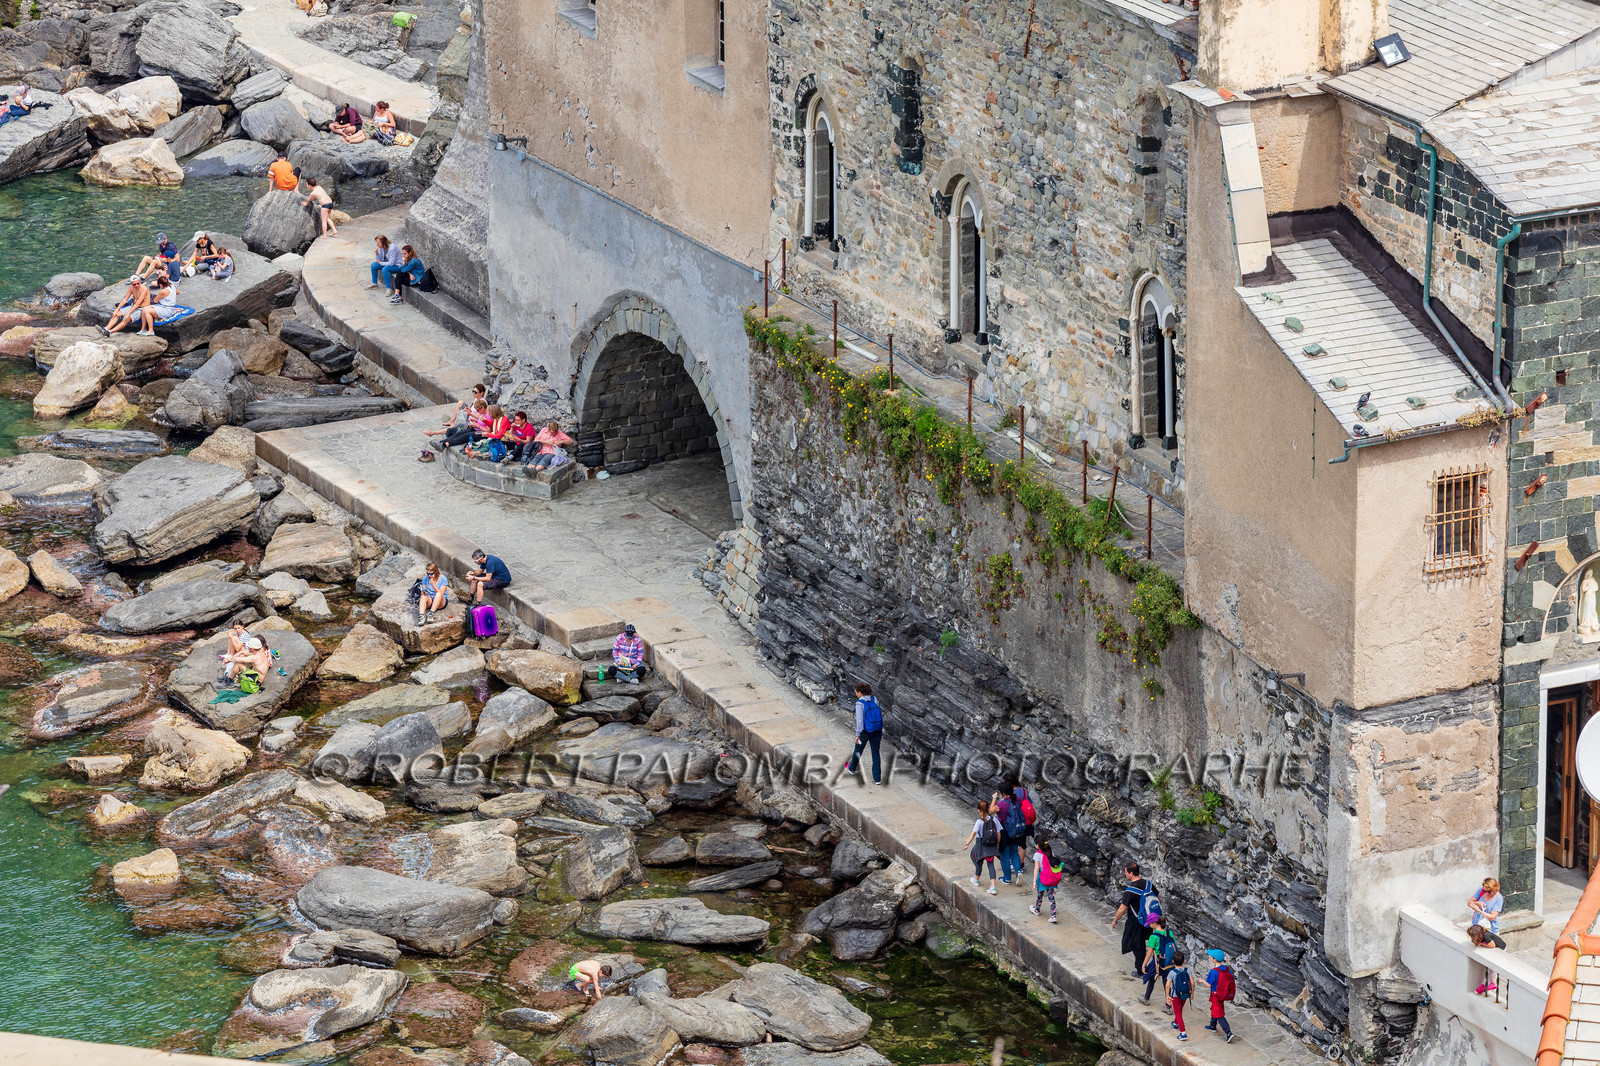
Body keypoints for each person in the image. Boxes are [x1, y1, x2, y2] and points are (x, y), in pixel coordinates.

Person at [1109, 861, 1160, 980]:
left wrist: (1115, 920)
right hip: (1149, 920)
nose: (1125, 874)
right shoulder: (1148, 884)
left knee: (1137, 945)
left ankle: (1141, 970)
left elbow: (1122, 909)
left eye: (1126, 872)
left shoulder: (1130, 890)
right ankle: (1153, 966)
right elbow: (1157, 900)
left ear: (1131, 873)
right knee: (1146, 943)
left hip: (1136, 921)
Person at [846, 681, 883, 784]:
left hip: (865, 732)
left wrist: (857, 734)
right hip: (877, 730)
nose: (856, 694)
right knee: (876, 754)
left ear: (860, 693)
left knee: (858, 750)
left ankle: (852, 768)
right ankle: (877, 779)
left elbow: (860, 721)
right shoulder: (874, 699)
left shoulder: (859, 704)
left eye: (856, 692)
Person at [965, 799, 1002, 895]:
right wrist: (997, 844)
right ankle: (993, 887)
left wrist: (967, 843)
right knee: (991, 865)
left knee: (977, 859)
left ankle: (976, 879)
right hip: (992, 844)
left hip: (981, 844)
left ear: (979, 810)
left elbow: (973, 834)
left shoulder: (979, 822)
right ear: (988, 808)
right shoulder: (994, 820)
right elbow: (998, 834)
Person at [1142, 914, 1176, 1006]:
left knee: (1151, 977)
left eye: (1149, 923)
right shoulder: (1169, 933)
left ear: (1154, 923)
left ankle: (1146, 998)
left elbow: (1149, 953)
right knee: (1166, 983)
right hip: (1168, 962)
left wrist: (1144, 965)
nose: (1149, 925)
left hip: (1157, 962)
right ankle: (1168, 1005)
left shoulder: (1153, 937)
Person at [1203, 949, 1235, 1043]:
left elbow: (1209, 984)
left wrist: (1201, 981)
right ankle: (1212, 1026)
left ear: (1214, 959)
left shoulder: (1213, 971)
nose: (1211, 957)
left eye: (1211, 956)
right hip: (1222, 994)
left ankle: (1228, 1033)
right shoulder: (1226, 969)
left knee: (1219, 1014)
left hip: (1216, 995)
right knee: (1215, 1009)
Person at [1029, 839, 1062, 923]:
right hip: (1050, 877)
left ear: (1037, 845)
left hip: (1042, 878)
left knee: (1039, 895)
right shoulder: (1051, 852)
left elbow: (1036, 869)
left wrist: (1034, 881)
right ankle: (1053, 915)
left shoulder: (1037, 855)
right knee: (1051, 896)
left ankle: (1036, 910)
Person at [1468, 924, 1504, 995]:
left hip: (1501, 949)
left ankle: (1485, 985)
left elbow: (1492, 946)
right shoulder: (1482, 935)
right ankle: (1491, 983)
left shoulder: (1487, 937)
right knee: (1491, 970)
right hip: (1495, 949)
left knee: (1491, 969)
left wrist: (1481, 943)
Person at [1167, 950, 1193, 1041]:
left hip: (1175, 995)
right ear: (1184, 961)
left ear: (1173, 961)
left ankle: (1183, 1033)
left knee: (1178, 1013)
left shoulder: (1172, 972)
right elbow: (1192, 983)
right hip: (1185, 994)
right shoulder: (1187, 970)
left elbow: (1167, 986)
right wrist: (1192, 993)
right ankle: (1175, 1023)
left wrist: (1168, 996)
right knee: (1179, 1010)